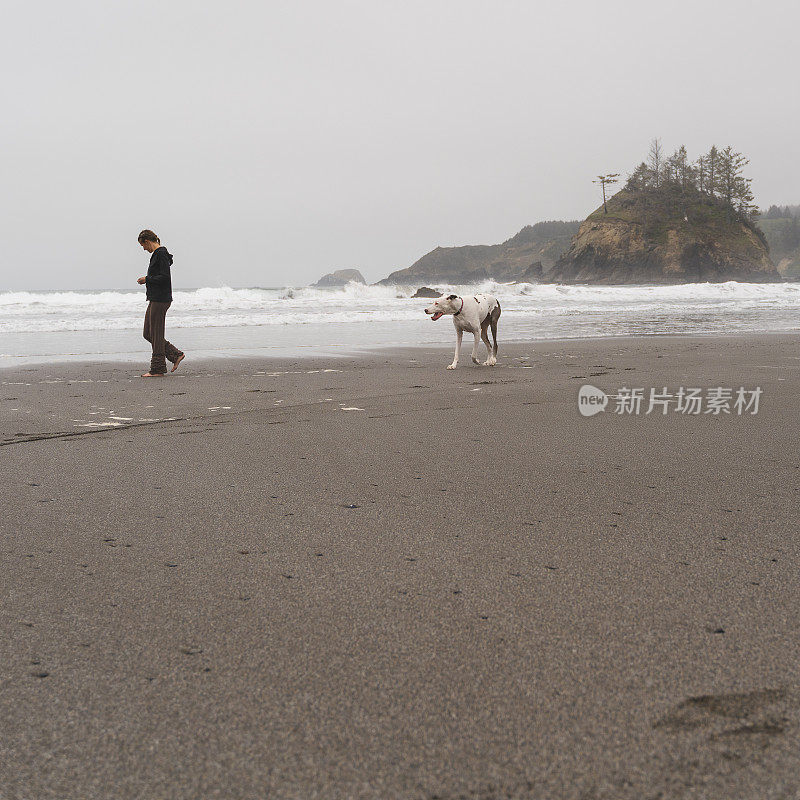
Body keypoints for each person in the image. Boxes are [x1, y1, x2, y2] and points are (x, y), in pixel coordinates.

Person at [136, 229, 185, 377]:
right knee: (148, 333)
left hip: (161, 299)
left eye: (143, 245)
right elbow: (160, 275)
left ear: (147, 241)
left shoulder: (161, 253)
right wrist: (148, 278)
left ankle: (157, 369)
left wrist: (147, 279)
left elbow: (164, 277)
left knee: (156, 334)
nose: (144, 249)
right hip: (155, 298)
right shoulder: (158, 255)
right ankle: (175, 354)